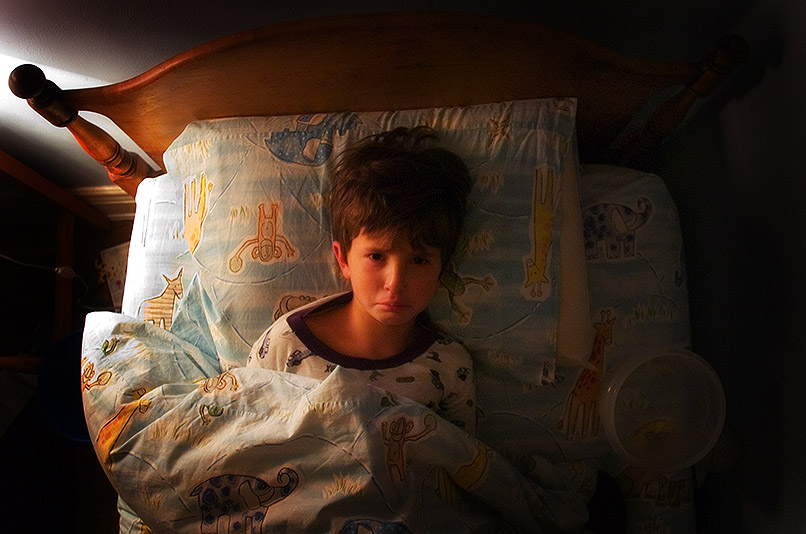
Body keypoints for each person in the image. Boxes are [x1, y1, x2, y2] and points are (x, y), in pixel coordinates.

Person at [247, 126, 476, 434]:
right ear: (343, 259)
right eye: (377, 257)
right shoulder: (283, 348)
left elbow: (463, 457)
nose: (395, 282)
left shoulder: (450, 367)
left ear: (442, 272)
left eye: (419, 260)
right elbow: (246, 435)